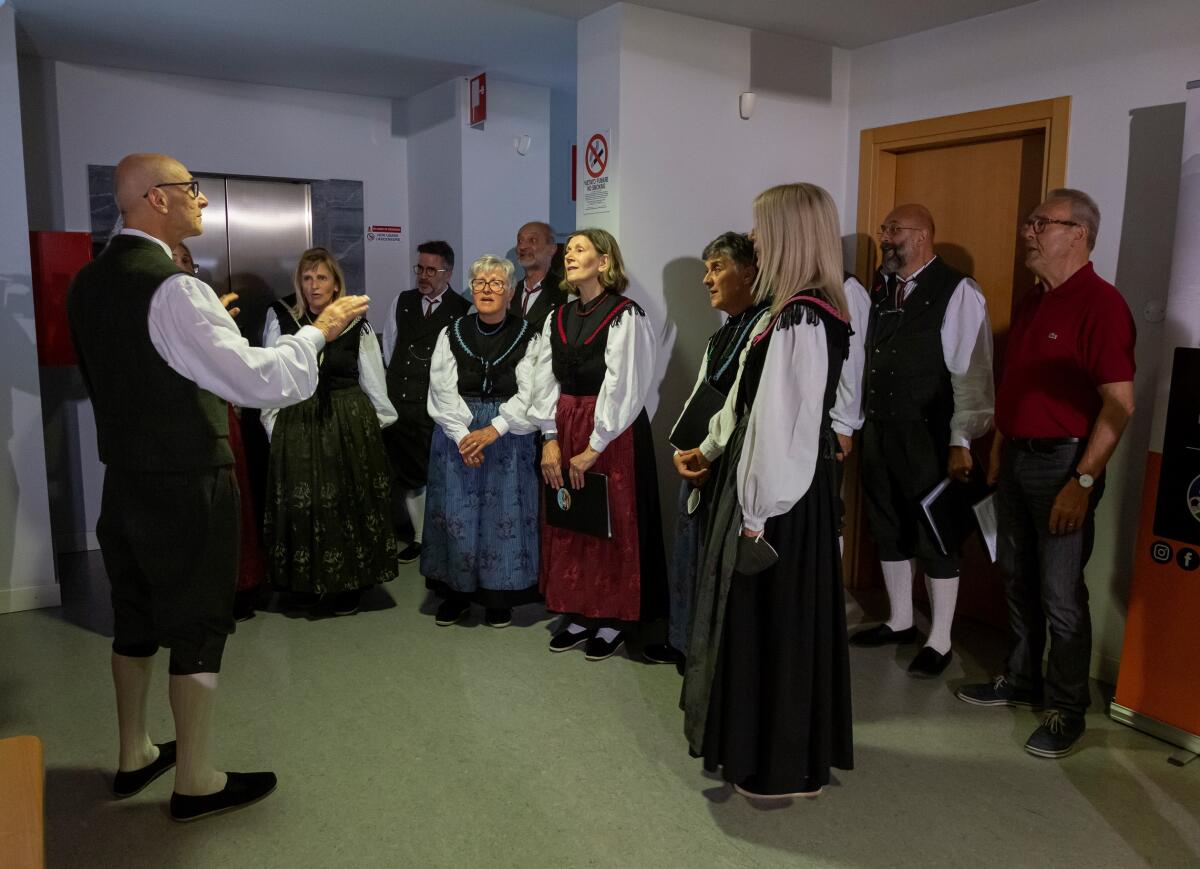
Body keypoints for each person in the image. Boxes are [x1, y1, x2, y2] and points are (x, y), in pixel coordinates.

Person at [67, 152, 367, 821]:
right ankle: (196, 777)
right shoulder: (174, 287)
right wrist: (319, 332)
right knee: (201, 623)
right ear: (154, 199)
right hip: (188, 481)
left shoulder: (88, 283)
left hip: (126, 482)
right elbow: (257, 380)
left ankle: (133, 751)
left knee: (135, 617)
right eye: (191, 189)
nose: (200, 200)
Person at [682, 182, 853, 800]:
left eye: (760, 228)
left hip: (780, 497)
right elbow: (746, 404)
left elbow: (783, 428)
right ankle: (762, 750)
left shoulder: (802, 315)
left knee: (771, 625)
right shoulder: (792, 312)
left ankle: (779, 762)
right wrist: (708, 448)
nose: (753, 238)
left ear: (788, 233)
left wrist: (755, 515)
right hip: (775, 487)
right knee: (764, 627)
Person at [958, 189, 1135, 759]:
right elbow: (1019, 386)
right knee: (1015, 575)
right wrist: (1000, 447)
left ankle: (1066, 709)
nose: (1027, 232)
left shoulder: (1102, 306)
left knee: (1061, 593)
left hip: (1065, 464)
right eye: (1029, 222)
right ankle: (1021, 678)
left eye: (1041, 223)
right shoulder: (1035, 302)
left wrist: (1082, 482)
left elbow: (1119, 404)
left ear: (1078, 233)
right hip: (1017, 459)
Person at [848, 204, 994, 679]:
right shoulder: (880, 287)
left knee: (937, 532)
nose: (885, 238)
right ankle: (900, 620)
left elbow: (970, 375)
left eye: (894, 230)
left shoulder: (958, 291)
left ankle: (941, 639)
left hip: (929, 434)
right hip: (880, 429)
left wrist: (961, 440)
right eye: (883, 229)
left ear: (925, 235)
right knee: (886, 522)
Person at [530, 228, 666, 661]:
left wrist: (595, 444)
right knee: (570, 517)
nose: (569, 256)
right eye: (567, 251)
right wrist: (550, 438)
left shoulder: (626, 315)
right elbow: (544, 379)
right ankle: (577, 609)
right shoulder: (558, 316)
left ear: (604, 261)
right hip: (565, 424)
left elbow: (627, 386)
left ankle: (612, 618)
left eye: (580, 250)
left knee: (611, 522)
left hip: (612, 432)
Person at [644, 232, 768, 670]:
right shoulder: (722, 337)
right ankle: (685, 642)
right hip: (702, 457)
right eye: (706, 269)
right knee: (690, 554)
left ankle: (710, 652)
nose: (706, 280)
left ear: (749, 272)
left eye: (716, 268)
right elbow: (701, 395)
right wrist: (684, 449)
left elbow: (741, 402)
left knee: (717, 564)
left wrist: (708, 453)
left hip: (730, 461)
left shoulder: (765, 326)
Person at [262, 248, 398, 616]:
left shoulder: (356, 322)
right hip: (298, 422)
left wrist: (375, 426)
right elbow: (272, 377)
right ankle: (303, 582)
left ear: (336, 283)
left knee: (345, 504)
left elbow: (373, 377)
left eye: (321, 278)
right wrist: (275, 429)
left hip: (347, 419)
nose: (313, 285)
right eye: (307, 278)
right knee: (304, 505)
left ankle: (348, 584)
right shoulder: (282, 318)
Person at [423, 255, 546, 628]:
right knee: (455, 513)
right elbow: (442, 388)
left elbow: (532, 392)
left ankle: (499, 597)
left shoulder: (531, 335)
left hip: (507, 436)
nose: (487, 290)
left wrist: (494, 429)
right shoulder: (452, 332)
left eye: (495, 284)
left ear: (510, 291)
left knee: (503, 516)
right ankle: (456, 593)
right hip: (456, 433)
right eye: (480, 283)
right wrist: (464, 436)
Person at [173, 243, 262, 622]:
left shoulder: (207, 304)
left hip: (220, 414)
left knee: (231, 502)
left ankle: (240, 587)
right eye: (171, 260)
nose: (179, 267)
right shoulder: (150, 305)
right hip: (175, 420)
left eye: (185, 261)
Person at [383, 241, 472, 564]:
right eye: (419, 268)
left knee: (433, 471)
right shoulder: (402, 302)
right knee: (405, 471)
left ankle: (439, 537)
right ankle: (419, 537)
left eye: (431, 270)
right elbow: (390, 349)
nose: (423, 276)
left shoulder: (462, 310)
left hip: (434, 406)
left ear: (448, 272)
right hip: (399, 402)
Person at [510, 221, 566, 331]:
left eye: (532, 240)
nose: (523, 246)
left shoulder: (565, 292)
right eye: (520, 241)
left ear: (552, 248)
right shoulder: (509, 293)